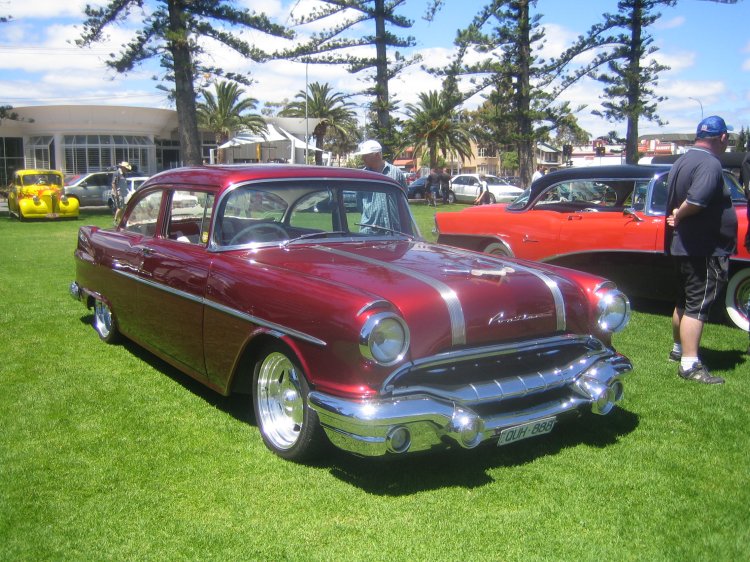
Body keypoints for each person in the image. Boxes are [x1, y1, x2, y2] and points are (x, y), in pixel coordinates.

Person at [665, 115, 737, 384]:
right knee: (697, 305)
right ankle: (690, 364)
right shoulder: (709, 163)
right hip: (703, 247)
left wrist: (679, 217)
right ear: (722, 138)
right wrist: (681, 214)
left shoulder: (682, 161)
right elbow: (696, 200)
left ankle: (678, 350)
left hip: (685, 245)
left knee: (684, 301)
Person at [355, 140, 407, 233]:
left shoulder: (396, 173)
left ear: (377, 155)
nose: (363, 158)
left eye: (366, 155)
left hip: (393, 230)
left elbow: (403, 201)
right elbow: (359, 202)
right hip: (368, 231)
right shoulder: (362, 176)